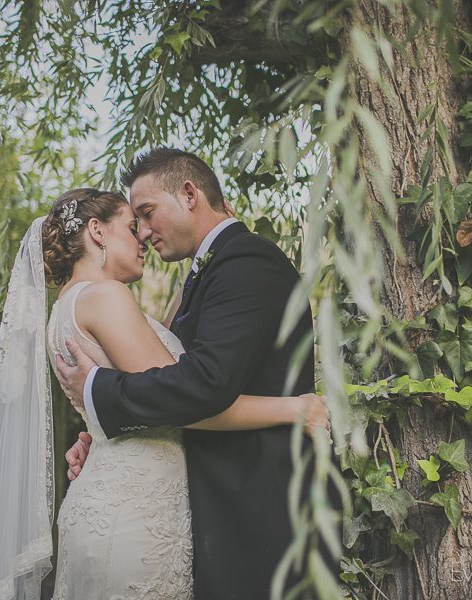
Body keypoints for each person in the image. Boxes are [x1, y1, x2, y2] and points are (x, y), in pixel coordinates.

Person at [0, 188, 328, 600]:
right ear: (97, 231)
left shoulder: (67, 305)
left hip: (110, 500)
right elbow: (184, 402)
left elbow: (149, 389)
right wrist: (292, 409)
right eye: (132, 226)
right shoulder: (105, 297)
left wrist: (98, 424)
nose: (143, 237)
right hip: (136, 514)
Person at [55, 148, 340, 599]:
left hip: (259, 506)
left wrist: (100, 393)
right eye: (136, 224)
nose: (144, 233)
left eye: (146, 215)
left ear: (189, 194)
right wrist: (103, 430)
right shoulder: (211, 270)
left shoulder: (245, 260)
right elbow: (178, 379)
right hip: (221, 507)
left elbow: (204, 384)